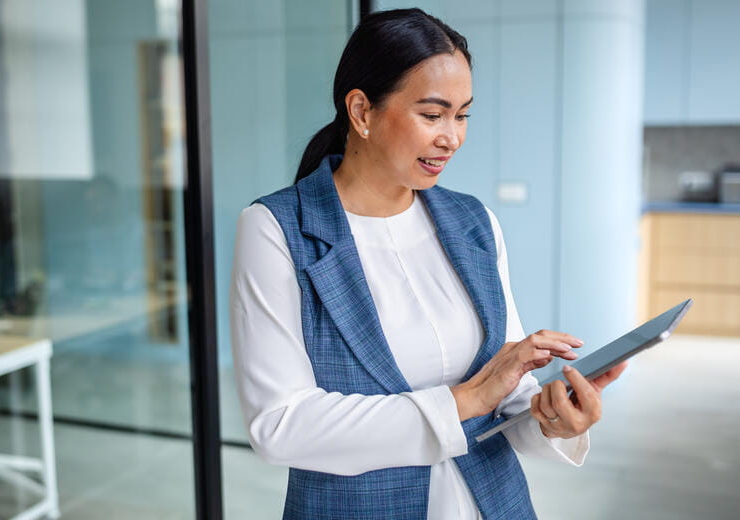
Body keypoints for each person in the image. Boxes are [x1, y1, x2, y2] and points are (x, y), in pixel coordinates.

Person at [230, 8, 626, 519]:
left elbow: (505, 397)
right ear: (362, 111)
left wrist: (550, 418)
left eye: (462, 115)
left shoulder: (473, 222)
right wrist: (466, 399)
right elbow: (280, 426)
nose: (452, 138)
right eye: (432, 114)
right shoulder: (276, 228)